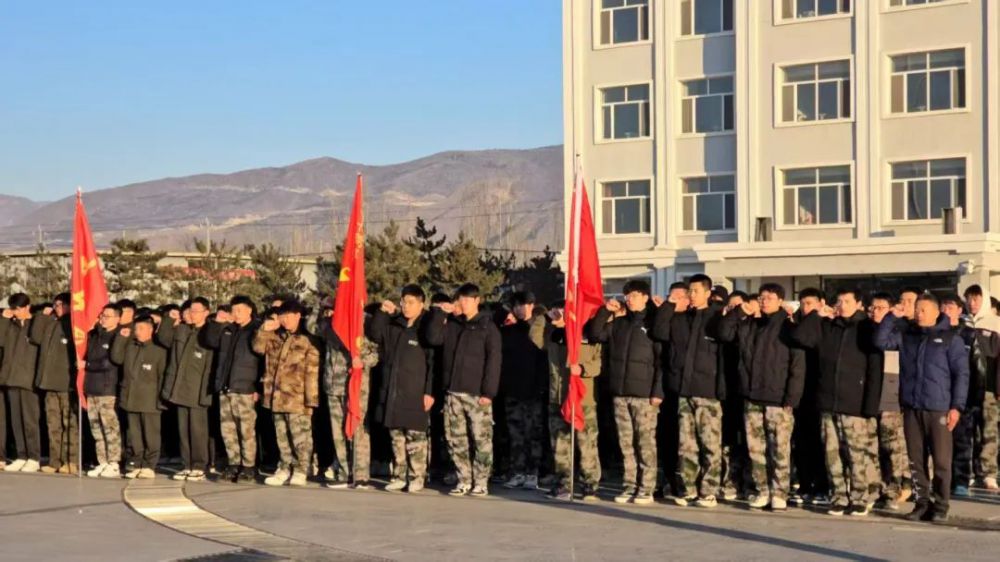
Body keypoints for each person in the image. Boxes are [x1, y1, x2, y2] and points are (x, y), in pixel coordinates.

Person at [875, 293, 969, 523]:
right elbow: (880, 342)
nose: (919, 313)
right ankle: (922, 503)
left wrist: (956, 407)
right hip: (912, 407)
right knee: (916, 461)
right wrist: (891, 317)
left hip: (939, 408)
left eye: (924, 309)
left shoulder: (950, 338)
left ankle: (941, 505)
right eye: (917, 309)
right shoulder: (908, 335)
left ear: (937, 312)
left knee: (941, 461)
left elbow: (961, 374)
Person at [792, 288, 883, 516]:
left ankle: (860, 497)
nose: (841, 305)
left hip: (855, 403)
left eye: (847, 301)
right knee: (831, 453)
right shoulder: (827, 326)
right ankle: (839, 496)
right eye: (839, 301)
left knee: (856, 453)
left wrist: (870, 406)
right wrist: (816, 315)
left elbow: (874, 370)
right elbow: (801, 338)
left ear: (859, 304)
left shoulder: (867, 328)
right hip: (827, 401)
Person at [718, 283, 805, 511]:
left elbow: (797, 366)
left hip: (778, 398)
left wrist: (792, 398)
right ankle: (762, 490)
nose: (764, 301)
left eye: (769, 298)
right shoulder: (749, 325)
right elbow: (724, 333)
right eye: (761, 297)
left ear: (780, 301)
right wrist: (739, 312)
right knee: (755, 449)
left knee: (779, 449)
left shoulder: (789, 326)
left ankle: (780, 492)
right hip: (751, 396)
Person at [652, 274, 726, 508]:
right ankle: (689, 489)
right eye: (689, 291)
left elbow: (727, 335)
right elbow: (660, 331)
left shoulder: (716, 317)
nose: (691, 296)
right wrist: (669, 305)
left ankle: (708, 490)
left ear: (707, 293)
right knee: (687, 445)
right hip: (683, 390)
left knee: (709, 444)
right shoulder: (680, 318)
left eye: (696, 291)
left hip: (708, 391)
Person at [587, 279, 662, 506]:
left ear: (645, 297)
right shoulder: (619, 323)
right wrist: (604, 311)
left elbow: (661, 361)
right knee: (625, 443)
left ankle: (646, 487)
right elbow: (595, 334)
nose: (629, 299)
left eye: (634, 295)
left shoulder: (653, 324)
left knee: (645, 442)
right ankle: (629, 484)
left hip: (644, 394)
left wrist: (657, 391)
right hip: (620, 392)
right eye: (627, 295)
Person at [426, 283, 502, 498]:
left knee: (481, 439)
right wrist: (440, 312)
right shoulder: (452, 324)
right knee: (455, 439)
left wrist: (488, 392)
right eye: (461, 299)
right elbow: (433, 338)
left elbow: (494, 361)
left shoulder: (488, 327)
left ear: (477, 300)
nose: (464, 303)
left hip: (477, 394)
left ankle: (481, 481)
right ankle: (464, 479)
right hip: (453, 392)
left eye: (468, 299)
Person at [368, 285, 436, 493]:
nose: (406, 306)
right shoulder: (395, 325)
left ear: (421, 304)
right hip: (393, 388)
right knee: (396, 435)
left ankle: (417, 476)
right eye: (404, 302)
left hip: (416, 390)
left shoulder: (426, 328)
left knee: (415, 437)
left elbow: (433, 363)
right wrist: (382, 313)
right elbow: (375, 334)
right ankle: (399, 475)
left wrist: (429, 391)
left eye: (411, 302)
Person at [254, 300, 321, 486]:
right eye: (281, 316)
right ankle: (284, 467)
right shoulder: (274, 337)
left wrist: (311, 400)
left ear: (298, 315)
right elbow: (258, 348)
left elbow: (312, 371)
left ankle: (301, 469)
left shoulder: (308, 340)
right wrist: (264, 330)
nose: (284, 320)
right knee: (281, 435)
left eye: (288, 316)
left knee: (300, 437)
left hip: (297, 397)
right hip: (276, 396)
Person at [201, 295, 263, 483]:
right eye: (234, 310)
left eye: (240, 310)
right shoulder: (228, 329)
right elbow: (210, 341)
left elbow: (263, 361)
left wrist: (258, 387)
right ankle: (233, 464)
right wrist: (217, 322)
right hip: (225, 386)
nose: (236, 314)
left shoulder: (256, 330)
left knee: (246, 431)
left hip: (245, 387)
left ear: (249, 310)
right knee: (228, 430)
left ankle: (249, 466)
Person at [544, 301, 602, 501]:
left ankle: (589, 484)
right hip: (558, 396)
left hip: (583, 398)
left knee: (587, 444)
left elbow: (598, 363)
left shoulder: (589, 334)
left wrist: (583, 369)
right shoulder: (553, 333)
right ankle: (563, 483)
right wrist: (548, 320)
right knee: (560, 445)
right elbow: (535, 339)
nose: (563, 314)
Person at [317, 303, 379, 489]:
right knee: (338, 432)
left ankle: (361, 475)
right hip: (333, 386)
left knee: (358, 429)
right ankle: (344, 472)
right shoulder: (330, 323)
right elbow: (311, 326)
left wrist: (362, 361)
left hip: (355, 386)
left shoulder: (364, 321)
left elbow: (376, 353)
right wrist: (320, 306)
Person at [158, 296, 215, 481]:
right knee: (183, 430)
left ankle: (199, 465)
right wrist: (169, 319)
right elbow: (163, 338)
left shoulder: (209, 333)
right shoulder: (183, 330)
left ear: (206, 313)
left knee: (198, 430)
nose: (192, 314)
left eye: (196, 311)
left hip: (198, 389)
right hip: (180, 387)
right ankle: (187, 464)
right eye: (190, 310)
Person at [499, 291, 547, 490]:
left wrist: (541, 387)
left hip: (533, 391)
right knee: (515, 434)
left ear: (532, 305)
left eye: (524, 304)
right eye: (516, 305)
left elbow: (543, 360)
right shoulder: (509, 330)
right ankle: (517, 471)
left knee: (533, 434)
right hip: (512, 390)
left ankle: (533, 472)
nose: (520, 309)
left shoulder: (540, 328)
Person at [868, 292, 912, 510]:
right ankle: (874, 488)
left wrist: (890, 319)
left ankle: (894, 490)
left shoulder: (899, 330)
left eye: (881, 308)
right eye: (872, 308)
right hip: (869, 394)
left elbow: (881, 342)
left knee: (892, 446)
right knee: (871, 447)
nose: (875, 312)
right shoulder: (865, 328)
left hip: (891, 394)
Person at [111, 315, 168, 479]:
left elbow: (162, 377)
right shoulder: (130, 348)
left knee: (151, 434)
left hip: (150, 400)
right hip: (131, 397)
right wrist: (121, 338)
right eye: (136, 329)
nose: (137, 332)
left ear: (150, 330)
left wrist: (161, 400)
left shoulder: (159, 352)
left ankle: (149, 465)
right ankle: (136, 462)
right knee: (134, 435)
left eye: (141, 328)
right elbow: (116, 358)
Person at [29, 294, 78, 474]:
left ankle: (71, 460)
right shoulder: (50, 322)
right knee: (53, 424)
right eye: (55, 304)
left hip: (66, 382)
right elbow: (35, 337)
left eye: (61, 304)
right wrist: (42, 316)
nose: (57, 307)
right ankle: (54, 460)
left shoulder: (73, 324)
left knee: (69, 424)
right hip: (49, 382)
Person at [790, 287, 830, 505]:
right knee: (801, 442)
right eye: (803, 304)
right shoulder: (796, 323)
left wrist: (816, 316)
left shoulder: (826, 323)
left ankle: (822, 486)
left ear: (821, 303)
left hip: (820, 390)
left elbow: (808, 339)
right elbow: (799, 337)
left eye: (810, 304)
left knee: (820, 443)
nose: (806, 308)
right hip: (800, 391)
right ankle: (805, 484)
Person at [963, 284, 1000, 490]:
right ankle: (968, 471)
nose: (972, 303)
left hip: (989, 387)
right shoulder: (962, 323)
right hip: (966, 387)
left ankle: (988, 472)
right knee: (967, 431)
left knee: (988, 430)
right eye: (969, 298)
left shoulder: (995, 323)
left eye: (976, 298)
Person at [0, 293, 42, 473]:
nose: (15, 313)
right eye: (13, 309)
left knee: (29, 421)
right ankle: (21, 455)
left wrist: (37, 317)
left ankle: (34, 456)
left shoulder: (35, 324)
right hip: (10, 377)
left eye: (18, 309)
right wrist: (4, 320)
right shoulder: (11, 325)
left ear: (27, 307)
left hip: (28, 379)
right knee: (16, 421)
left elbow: (39, 338)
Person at [83, 304, 123, 478]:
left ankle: (114, 462)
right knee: (95, 427)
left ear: (117, 318)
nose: (103, 319)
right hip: (92, 387)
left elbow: (110, 362)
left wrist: (87, 365)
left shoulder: (118, 336)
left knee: (110, 427)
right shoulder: (95, 335)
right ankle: (103, 461)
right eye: (102, 315)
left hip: (107, 388)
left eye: (107, 316)